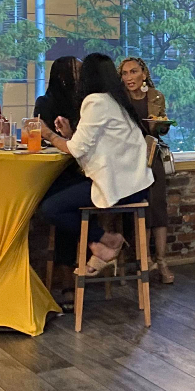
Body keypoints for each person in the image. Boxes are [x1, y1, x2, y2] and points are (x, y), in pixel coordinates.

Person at [36, 53, 153, 275]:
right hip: (136, 184)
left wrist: (49, 134)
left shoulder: (96, 101)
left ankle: (107, 240)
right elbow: (92, 145)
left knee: (50, 207)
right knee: (55, 193)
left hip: (121, 187)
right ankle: (99, 245)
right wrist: (69, 135)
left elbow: (77, 150)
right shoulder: (115, 100)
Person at [119, 57, 174, 283]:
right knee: (139, 208)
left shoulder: (156, 96)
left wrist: (162, 123)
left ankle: (161, 262)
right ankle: (144, 260)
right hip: (128, 158)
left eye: (133, 72)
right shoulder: (118, 98)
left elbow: (158, 129)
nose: (129, 77)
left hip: (152, 155)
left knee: (158, 208)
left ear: (143, 73)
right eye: (124, 73)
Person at [34, 56, 86, 287]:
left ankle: (66, 273)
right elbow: (39, 137)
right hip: (58, 168)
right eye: (78, 71)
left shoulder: (87, 103)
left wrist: (65, 136)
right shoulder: (46, 102)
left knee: (62, 202)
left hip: (83, 170)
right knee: (53, 197)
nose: (82, 76)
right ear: (64, 77)